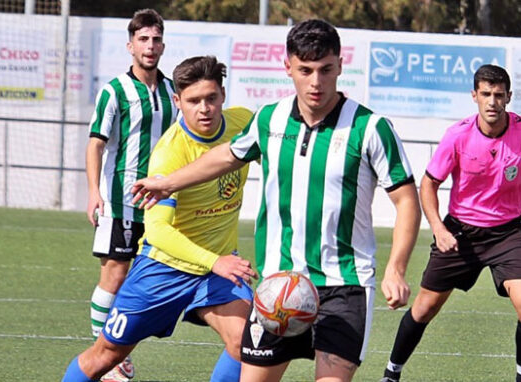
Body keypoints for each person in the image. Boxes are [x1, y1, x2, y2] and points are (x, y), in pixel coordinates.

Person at [131, 19, 421, 382]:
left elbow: (407, 201)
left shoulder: (371, 128)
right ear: (288, 67)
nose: (316, 82)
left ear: (340, 65)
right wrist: (169, 182)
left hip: (344, 287)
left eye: (325, 70)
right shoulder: (270, 119)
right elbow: (225, 157)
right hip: (278, 286)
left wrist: (396, 268)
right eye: (305, 70)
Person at [65, 56, 258, 382]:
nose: (205, 109)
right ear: (177, 101)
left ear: (223, 95)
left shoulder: (244, 124)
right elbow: (158, 231)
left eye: (211, 98)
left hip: (215, 271)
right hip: (162, 270)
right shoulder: (169, 154)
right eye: (194, 101)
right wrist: (215, 262)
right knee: (104, 357)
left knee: (246, 342)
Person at [380, 64, 521, 382]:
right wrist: (439, 229)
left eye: (499, 95)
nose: (492, 102)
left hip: (508, 234)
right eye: (486, 94)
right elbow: (428, 184)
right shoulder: (457, 135)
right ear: (474, 96)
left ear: (509, 97)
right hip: (459, 233)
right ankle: (391, 374)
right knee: (424, 309)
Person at [84, 9, 177, 380]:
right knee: (115, 274)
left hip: (161, 205)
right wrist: (94, 192)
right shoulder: (114, 91)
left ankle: (115, 350)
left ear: (163, 45)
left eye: (155, 40)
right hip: (122, 200)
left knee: (153, 278)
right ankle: (106, 357)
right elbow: (96, 144)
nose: (149, 46)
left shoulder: (174, 91)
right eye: (143, 39)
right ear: (130, 45)